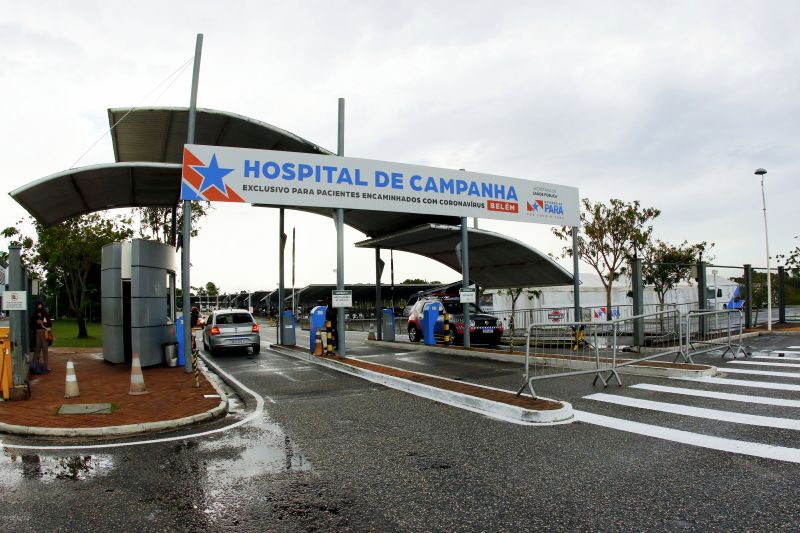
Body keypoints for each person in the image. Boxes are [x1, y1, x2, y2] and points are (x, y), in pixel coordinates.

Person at [29, 302, 52, 373]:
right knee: (37, 351)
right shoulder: (34, 315)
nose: (40, 308)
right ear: (36, 307)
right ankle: (35, 367)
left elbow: (49, 324)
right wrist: (36, 322)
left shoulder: (45, 314)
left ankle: (46, 367)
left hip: (44, 333)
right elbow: (31, 325)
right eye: (38, 307)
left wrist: (43, 323)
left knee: (45, 350)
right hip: (37, 334)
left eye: (41, 307)